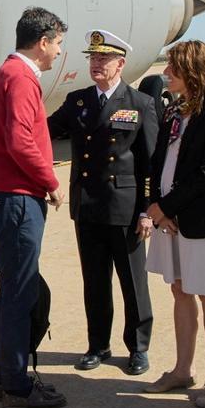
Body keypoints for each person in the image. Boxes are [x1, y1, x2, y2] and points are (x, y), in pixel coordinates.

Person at [47, 29, 157, 376]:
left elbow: (150, 162)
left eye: (104, 59)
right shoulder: (78, 101)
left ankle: (138, 347)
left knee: (132, 282)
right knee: (94, 281)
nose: (96, 64)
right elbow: (44, 129)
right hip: (88, 206)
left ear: (120, 63)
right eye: (93, 58)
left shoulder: (139, 103)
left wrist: (147, 210)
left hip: (125, 208)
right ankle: (98, 345)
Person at [0, 7, 67, 408]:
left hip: (7, 196)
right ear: (43, 41)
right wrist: (50, 181)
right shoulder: (20, 78)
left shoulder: (9, 75)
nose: (59, 52)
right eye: (58, 43)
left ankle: (8, 377)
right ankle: (15, 383)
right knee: (19, 292)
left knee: (17, 287)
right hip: (16, 198)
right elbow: (20, 141)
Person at [143, 41, 205, 408]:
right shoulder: (174, 111)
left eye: (174, 68)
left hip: (200, 220)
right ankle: (183, 369)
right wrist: (156, 208)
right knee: (180, 291)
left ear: (193, 71)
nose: (166, 73)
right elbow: (157, 161)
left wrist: (165, 207)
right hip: (169, 221)